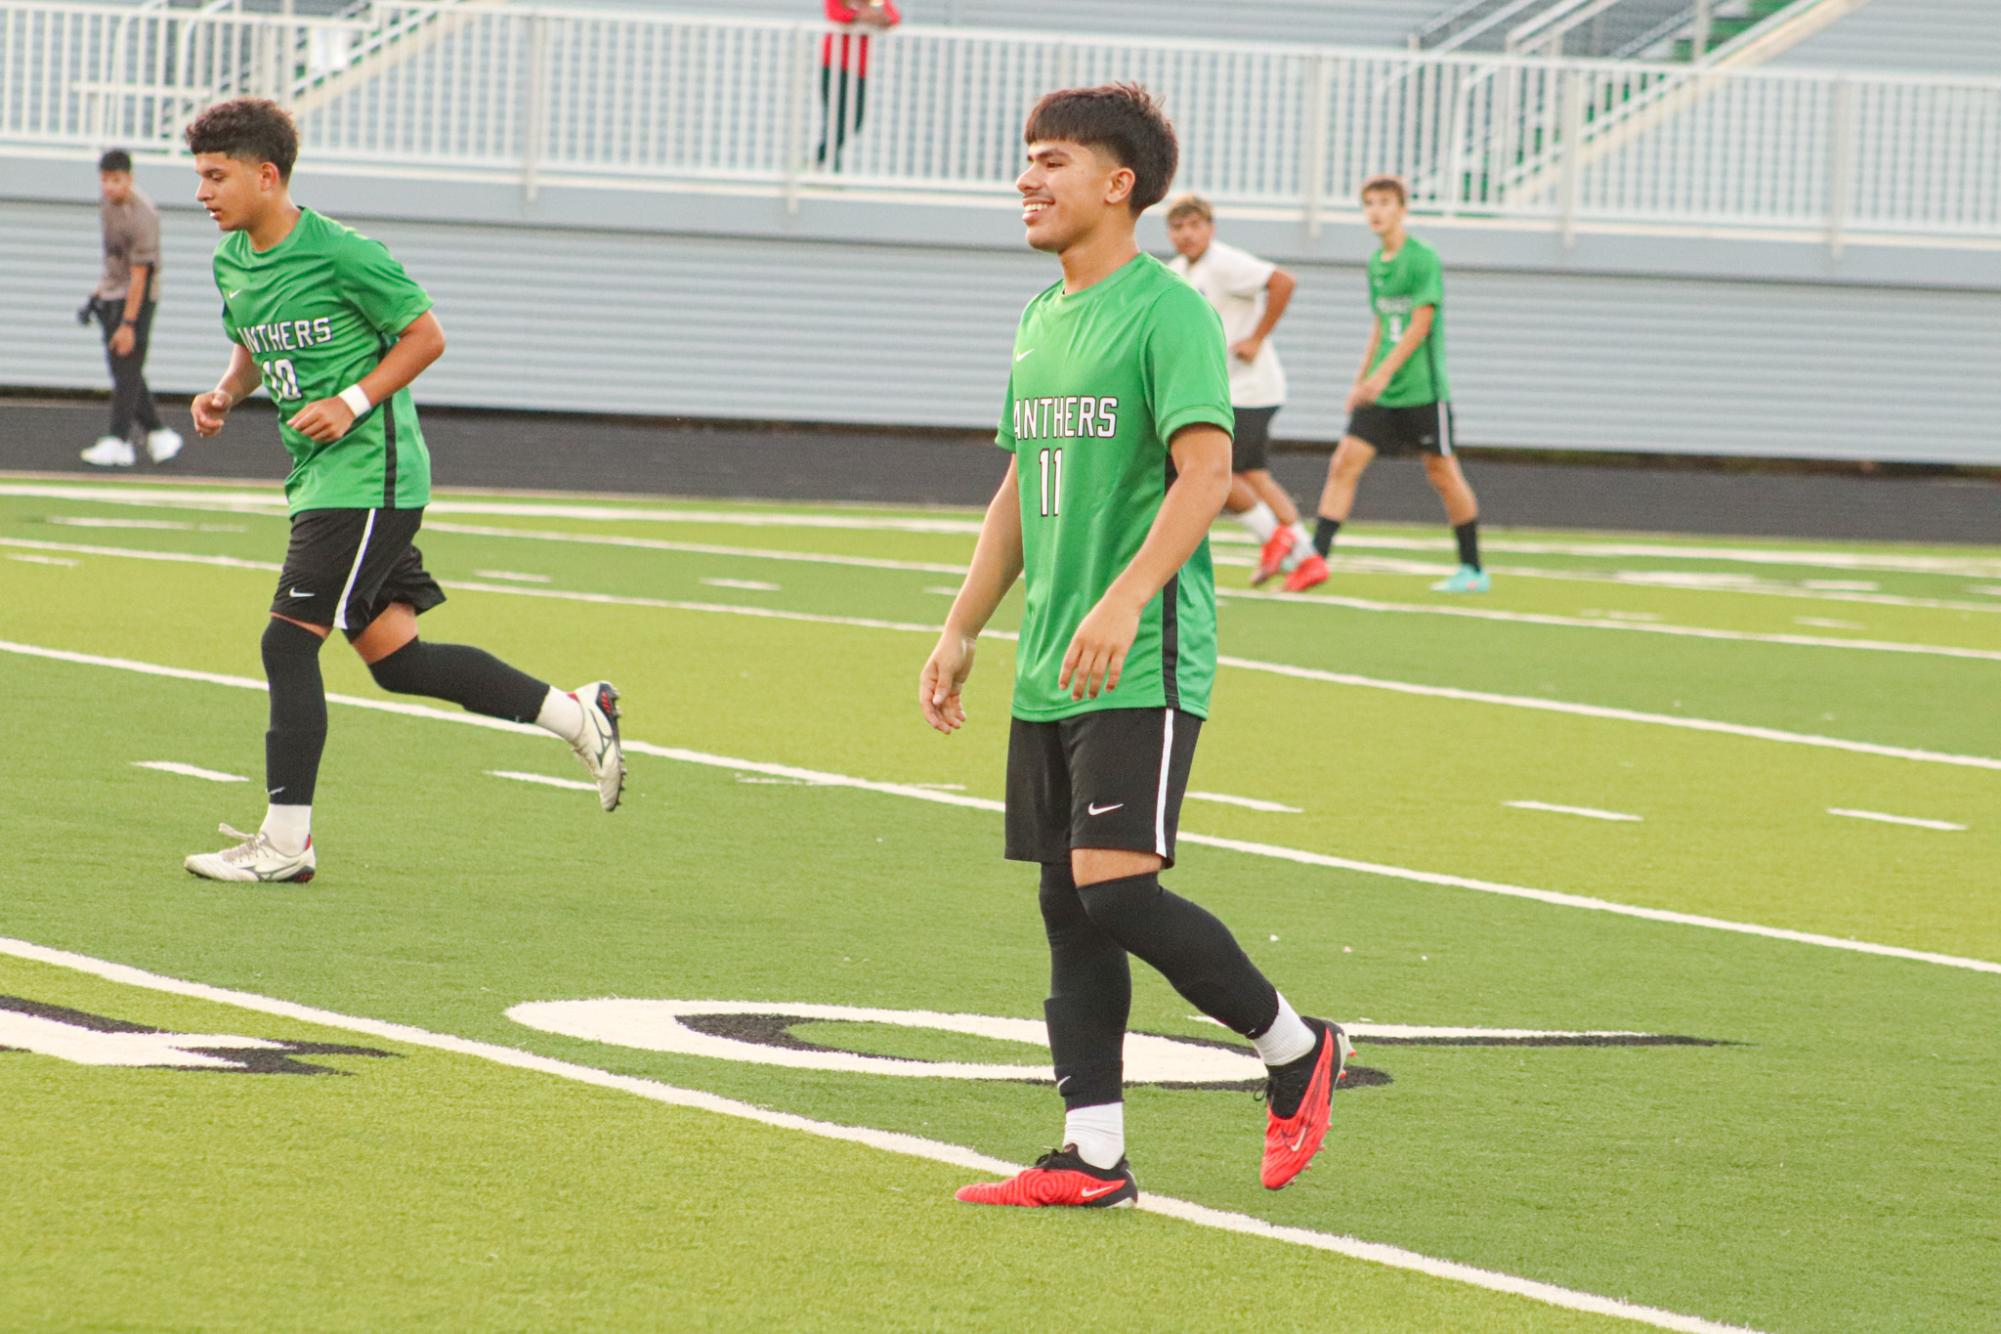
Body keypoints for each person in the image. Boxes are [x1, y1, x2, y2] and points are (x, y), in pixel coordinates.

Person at [920, 84, 1350, 1210]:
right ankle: (1092, 1154)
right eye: (1026, 158)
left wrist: (1123, 598)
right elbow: (1020, 483)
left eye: (1050, 160)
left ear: (1119, 184)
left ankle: (1297, 1048)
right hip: (1050, 661)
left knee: (1114, 890)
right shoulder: (1038, 313)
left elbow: (1207, 472)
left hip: (1143, 653)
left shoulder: (1169, 311)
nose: (1026, 178)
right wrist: (963, 626)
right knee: (1068, 903)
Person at [176, 98, 626, 885]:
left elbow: (426, 335)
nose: (203, 193)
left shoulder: (345, 254)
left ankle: (286, 846)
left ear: (266, 174)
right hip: (319, 477)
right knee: (397, 660)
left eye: (216, 176)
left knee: (286, 642)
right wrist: (224, 391)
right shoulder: (232, 259)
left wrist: (351, 401)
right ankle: (577, 712)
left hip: (368, 477)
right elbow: (252, 341)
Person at [1311, 174, 1488, 593]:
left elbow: (1419, 325)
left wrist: (1381, 376)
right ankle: (1315, 561)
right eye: (1369, 202)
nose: (1376, 211)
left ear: (1402, 209)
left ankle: (1473, 569)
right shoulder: (1376, 264)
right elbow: (1382, 324)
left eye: (1385, 202)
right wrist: (1361, 382)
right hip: (1381, 393)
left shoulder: (1422, 257)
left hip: (1423, 392)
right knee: (1343, 463)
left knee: (1442, 473)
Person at [1164, 194, 1326, 593]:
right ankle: (1307, 559)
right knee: (1254, 474)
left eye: (1195, 225)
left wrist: (1256, 337)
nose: (1187, 234)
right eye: (1178, 227)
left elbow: (1283, 281)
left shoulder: (1224, 263)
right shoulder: (1177, 270)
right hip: (1234, 387)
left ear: (1211, 228)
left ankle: (1275, 538)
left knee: (1214, 469)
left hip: (1247, 388)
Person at [81, 149, 183, 468]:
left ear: (130, 178)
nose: (110, 187)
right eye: (105, 181)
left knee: (126, 366)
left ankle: (119, 439)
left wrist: (129, 322)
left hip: (137, 298)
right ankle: (158, 432)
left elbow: (140, 274)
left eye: (116, 180)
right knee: (124, 369)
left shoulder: (143, 215)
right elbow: (113, 258)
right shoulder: (107, 207)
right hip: (114, 293)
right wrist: (97, 294)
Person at [816, 0, 901, 171]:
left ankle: (819, 159)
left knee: (855, 119)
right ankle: (831, 168)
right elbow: (834, 14)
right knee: (834, 119)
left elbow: (893, 17)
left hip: (858, 69)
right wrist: (860, 16)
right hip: (833, 64)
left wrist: (878, 16)